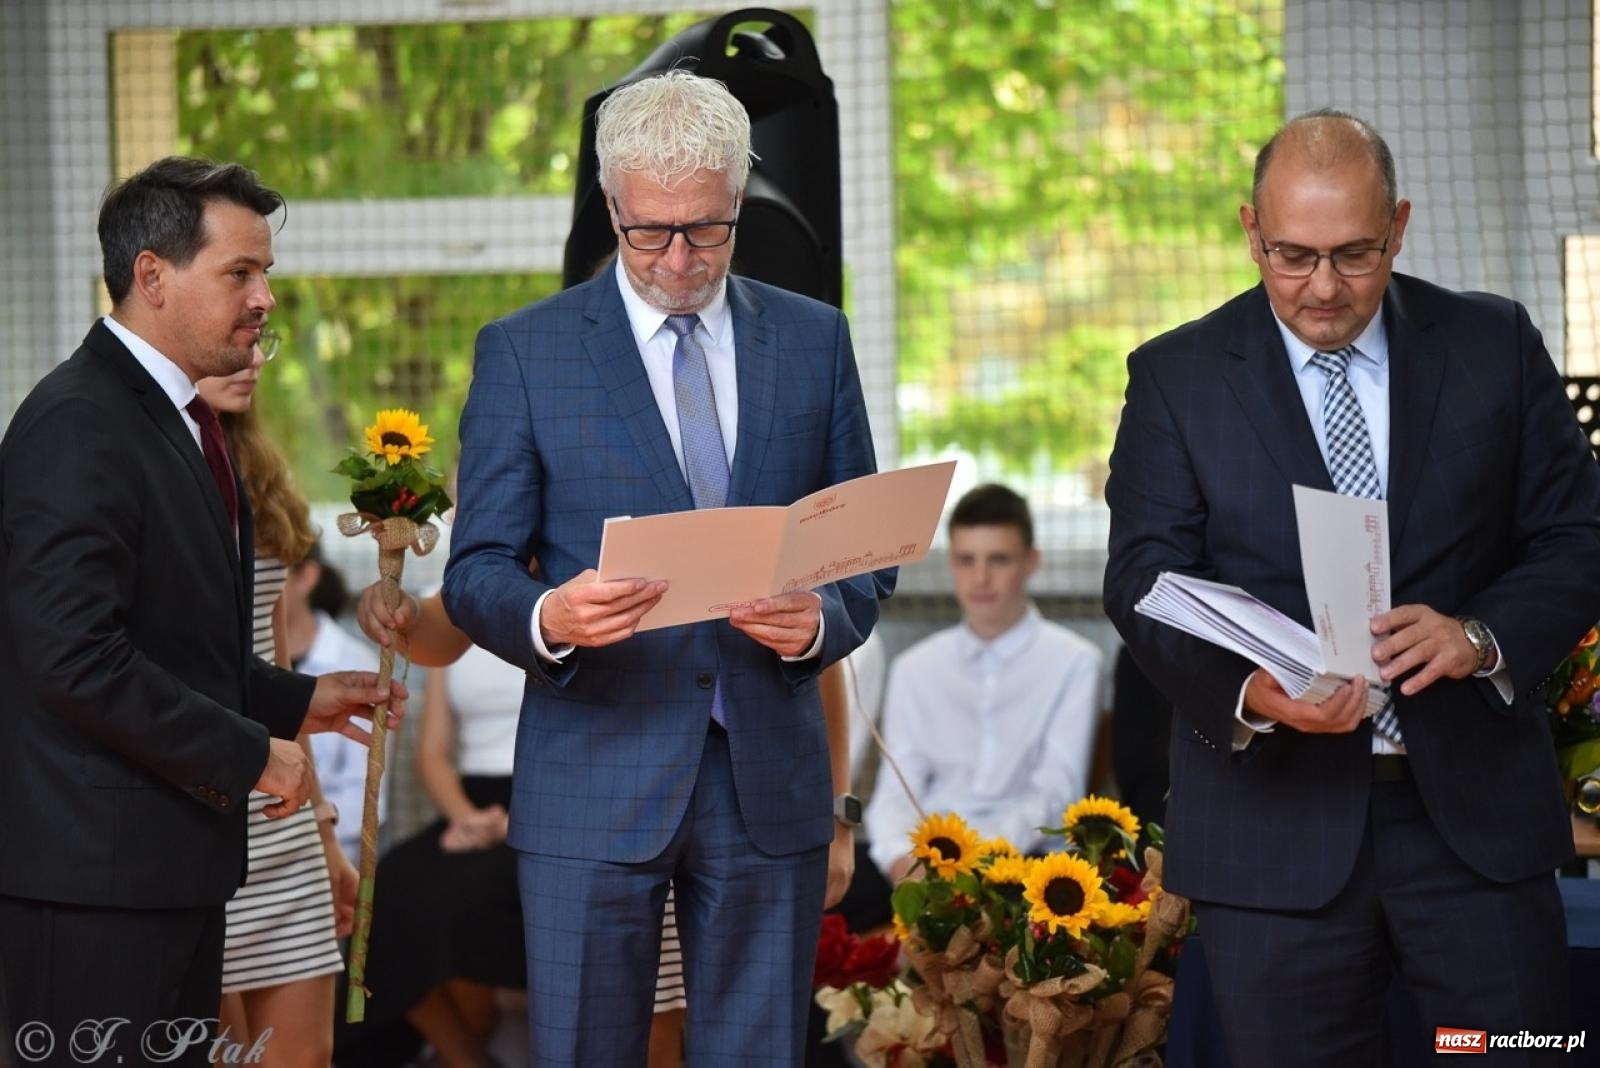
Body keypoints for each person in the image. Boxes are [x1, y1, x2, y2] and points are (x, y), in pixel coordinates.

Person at [1102, 110, 1600, 1066]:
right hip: (1271, 838)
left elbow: (1576, 535)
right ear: (1251, 229)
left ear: (1399, 227)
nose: (1323, 286)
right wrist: (1252, 690)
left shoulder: (1491, 344)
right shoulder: (1179, 377)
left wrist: (1480, 636)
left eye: (1354, 255)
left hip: (1474, 833)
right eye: (1291, 255)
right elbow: (1141, 578)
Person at [438, 69, 889, 1065]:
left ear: (740, 201)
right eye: (650, 232)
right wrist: (552, 614)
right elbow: (474, 571)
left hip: (764, 775)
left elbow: (862, 553)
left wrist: (818, 620)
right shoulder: (524, 353)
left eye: (707, 228)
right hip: (589, 772)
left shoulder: (814, 342)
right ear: (610, 207)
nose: (679, 257)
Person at [0, 156, 402, 1066]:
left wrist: (297, 703)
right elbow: (71, 658)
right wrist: (249, 752)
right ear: (152, 276)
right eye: (240, 273)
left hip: (163, 867)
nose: (265, 299)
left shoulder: (171, 418)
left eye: (266, 274)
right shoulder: (79, 423)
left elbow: (168, 641)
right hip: (92, 882)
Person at [200, 335, 355, 1065]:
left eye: (259, 342)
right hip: (194, 819)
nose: (250, 357)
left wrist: (323, 833)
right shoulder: (138, 468)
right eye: (232, 338)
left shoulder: (258, 472)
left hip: (284, 823)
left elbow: (280, 673)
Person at [863, 483, 1102, 880]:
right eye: (966, 560)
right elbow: (895, 791)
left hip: (1028, 863)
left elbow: (1056, 794)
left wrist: (968, 861)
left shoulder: (1075, 663)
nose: (981, 577)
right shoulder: (914, 668)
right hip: (923, 862)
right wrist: (901, 861)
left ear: (1032, 561)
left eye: (999, 560)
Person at [284, 544, 383, 863]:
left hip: (331, 851)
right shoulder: (235, 661)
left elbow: (365, 796)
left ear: (306, 577)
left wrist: (309, 830)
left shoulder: (354, 664)